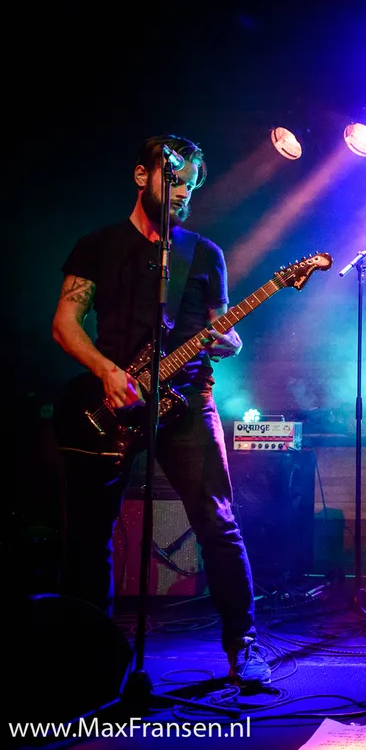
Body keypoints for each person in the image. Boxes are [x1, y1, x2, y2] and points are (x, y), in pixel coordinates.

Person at [51, 135, 270, 685]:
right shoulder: (97, 246)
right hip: (112, 399)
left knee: (217, 522)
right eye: (175, 181)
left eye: (191, 186)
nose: (183, 194)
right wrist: (107, 371)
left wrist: (230, 340)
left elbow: (224, 328)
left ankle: (243, 646)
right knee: (88, 535)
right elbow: (65, 324)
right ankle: (88, 658)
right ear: (141, 176)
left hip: (188, 399)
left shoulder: (205, 253)